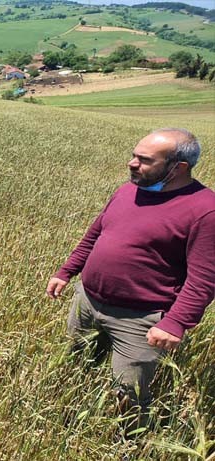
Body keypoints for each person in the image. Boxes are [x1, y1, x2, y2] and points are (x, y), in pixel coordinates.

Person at [46, 128, 214, 431]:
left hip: (140, 319)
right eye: (134, 155)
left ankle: (129, 444)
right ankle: (68, 423)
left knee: (129, 393)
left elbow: (204, 279)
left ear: (179, 168)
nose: (132, 164)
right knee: (76, 366)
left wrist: (176, 322)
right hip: (88, 300)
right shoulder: (128, 190)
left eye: (144, 160)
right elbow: (95, 234)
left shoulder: (205, 211)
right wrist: (66, 272)